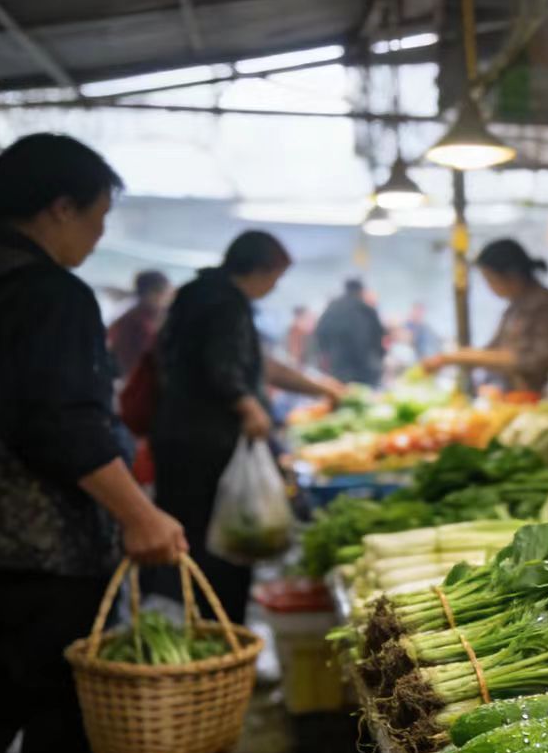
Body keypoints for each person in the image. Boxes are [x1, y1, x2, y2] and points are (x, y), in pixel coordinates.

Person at [0, 133, 188, 753]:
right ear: (60, 207)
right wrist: (139, 514)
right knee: (52, 696)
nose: (101, 235)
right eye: (98, 216)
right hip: (36, 547)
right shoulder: (47, 293)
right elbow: (62, 425)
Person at [150, 231, 345, 624]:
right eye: (275, 277)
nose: (274, 287)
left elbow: (255, 363)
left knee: (194, 541)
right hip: (208, 444)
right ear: (260, 268)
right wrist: (250, 407)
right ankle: (222, 632)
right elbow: (223, 368)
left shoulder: (198, 292)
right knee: (220, 546)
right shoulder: (225, 302)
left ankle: (205, 628)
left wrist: (320, 387)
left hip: (179, 438)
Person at [421, 239, 548, 392]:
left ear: (512, 275)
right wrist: (453, 358)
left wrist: (455, 357)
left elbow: (538, 360)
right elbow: (492, 349)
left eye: (490, 279)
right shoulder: (515, 307)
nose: (489, 286)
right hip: (518, 396)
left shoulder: (547, 306)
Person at [313, 278, 386, 386]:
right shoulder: (366, 309)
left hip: (338, 367)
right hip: (364, 369)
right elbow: (379, 335)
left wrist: (327, 352)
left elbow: (320, 332)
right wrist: (379, 356)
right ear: (361, 291)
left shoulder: (332, 308)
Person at [107, 269, 172, 380]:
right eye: (167, 294)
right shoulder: (140, 324)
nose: (169, 299)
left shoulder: (126, 319)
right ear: (153, 294)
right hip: (134, 384)